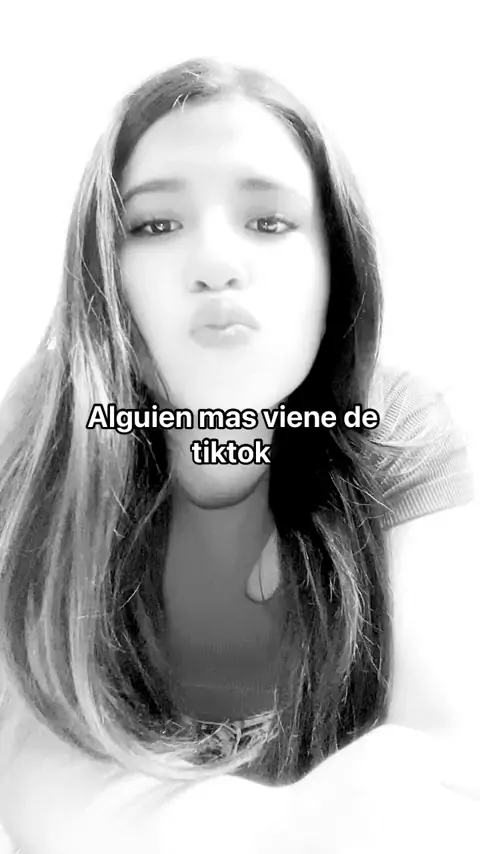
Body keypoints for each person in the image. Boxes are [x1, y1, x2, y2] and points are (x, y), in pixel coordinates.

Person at [0, 57, 476, 853]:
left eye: (270, 221)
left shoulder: (397, 427)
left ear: (336, 267)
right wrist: (283, 828)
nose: (216, 261)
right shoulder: (40, 438)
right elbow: (33, 772)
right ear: (104, 274)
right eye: (156, 225)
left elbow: (446, 767)